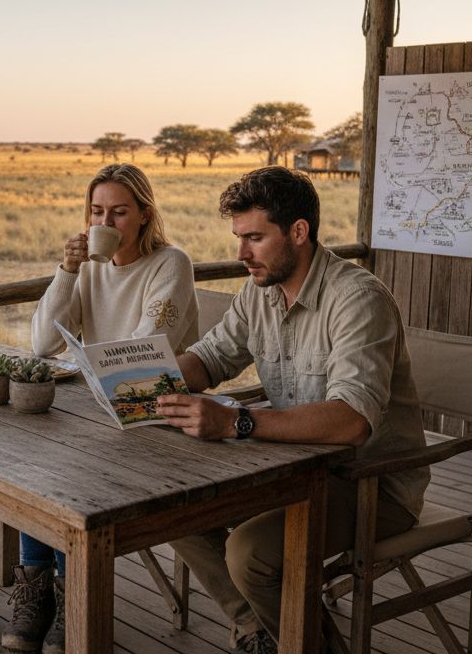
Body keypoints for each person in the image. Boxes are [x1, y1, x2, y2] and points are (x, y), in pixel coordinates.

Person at [156, 166, 427, 654]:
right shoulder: (258, 292)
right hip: (289, 468)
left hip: (370, 483)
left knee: (249, 552)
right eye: (239, 238)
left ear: (298, 232)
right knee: (170, 506)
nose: (241, 254)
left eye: (255, 238)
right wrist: (135, 380)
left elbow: (351, 420)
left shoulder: (357, 299)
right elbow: (209, 359)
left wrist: (236, 422)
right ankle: (260, 632)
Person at [4, 163, 199, 654]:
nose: (105, 224)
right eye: (96, 212)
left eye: (118, 212)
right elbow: (44, 342)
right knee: (31, 456)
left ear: (143, 215)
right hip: (97, 408)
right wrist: (67, 271)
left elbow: (146, 352)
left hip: (155, 416)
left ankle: (72, 595)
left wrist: (91, 365)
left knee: (64, 465)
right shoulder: (89, 267)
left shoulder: (169, 264)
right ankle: (38, 591)